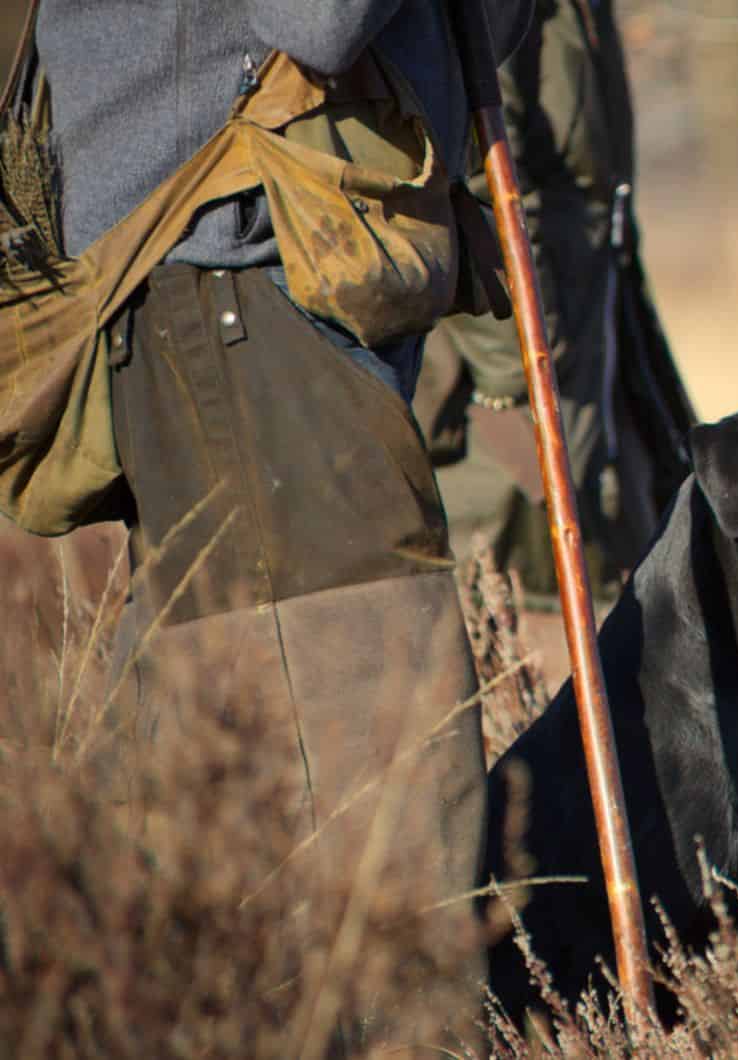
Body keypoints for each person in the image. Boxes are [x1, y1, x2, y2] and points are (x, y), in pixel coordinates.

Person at [31, 0, 532, 1047]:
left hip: (279, 293)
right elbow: (321, 16)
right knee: (387, 822)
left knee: (205, 833)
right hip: (239, 296)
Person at [414, 0, 697, 622]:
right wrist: (513, 385)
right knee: (522, 625)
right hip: (512, 376)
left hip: (585, 335)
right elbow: (471, 170)